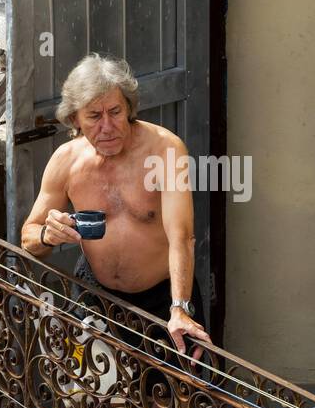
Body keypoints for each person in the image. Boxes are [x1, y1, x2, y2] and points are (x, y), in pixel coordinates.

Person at [21, 53, 211, 357]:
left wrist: (180, 308)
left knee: (168, 399)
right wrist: (47, 235)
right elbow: (29, 237)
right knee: (98, 398)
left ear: (129, 110)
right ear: (75, 120)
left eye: (115, 112)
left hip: (163, 299)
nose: (107, 126)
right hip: (95, 296)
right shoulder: (65, 161)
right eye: (94, 116)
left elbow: (183, 237)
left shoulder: (165, 150)